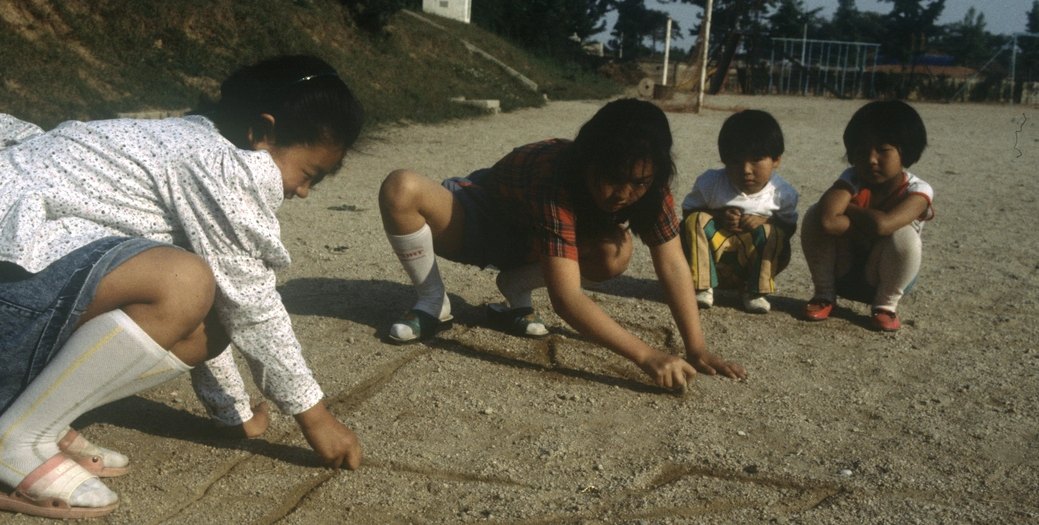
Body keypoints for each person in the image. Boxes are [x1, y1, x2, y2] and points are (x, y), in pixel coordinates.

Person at [0, 55, 365, 519]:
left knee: (198, 296)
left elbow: (223, 298)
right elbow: (251, 304)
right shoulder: (222, 166)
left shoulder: (198, 143)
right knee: (182, 281)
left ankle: (35, 418)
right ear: (262, 132)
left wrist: (233, 413)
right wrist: (316, 419)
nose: (302, 191)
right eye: (308, 174)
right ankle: (14, 442)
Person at [377, 98, 745, 390]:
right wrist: (647, 356)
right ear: (589, 159)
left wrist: (696, 348)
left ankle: (516, 284)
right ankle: (432, 301)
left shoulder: (649, 182)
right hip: (480, 223)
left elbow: (673, 263)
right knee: (401, 187)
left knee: (614, 252)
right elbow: (567, 300)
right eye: (613, 177)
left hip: (532, 243)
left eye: (639, 182)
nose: (624, 193)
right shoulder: (554, 173)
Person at [799, 100, 933, 332]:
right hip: (845, 272)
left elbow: (884, 226)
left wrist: (849, 208)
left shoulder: (918, 190)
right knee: (814, 214)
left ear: (906, 151)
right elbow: (828, 221)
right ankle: (824, 293)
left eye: (882, 150)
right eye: (862, 150)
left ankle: (886, 306)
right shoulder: (853, 178)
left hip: (884, 277)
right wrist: (870, 225)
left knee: (904, 234)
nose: (871, 159)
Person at [680, 109, 798, 314]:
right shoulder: (711, 183)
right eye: (736, 161)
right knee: (696, 220)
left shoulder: (782, 193)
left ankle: (754, 291)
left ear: (776, 159)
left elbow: (789, 228)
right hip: (713, 260)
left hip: (750, 263)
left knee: (775, 234)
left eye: (757, 159)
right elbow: (688, 214)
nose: (746, 170)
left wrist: (764, 222)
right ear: (724, 160)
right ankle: (702, 286)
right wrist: (718, 216)